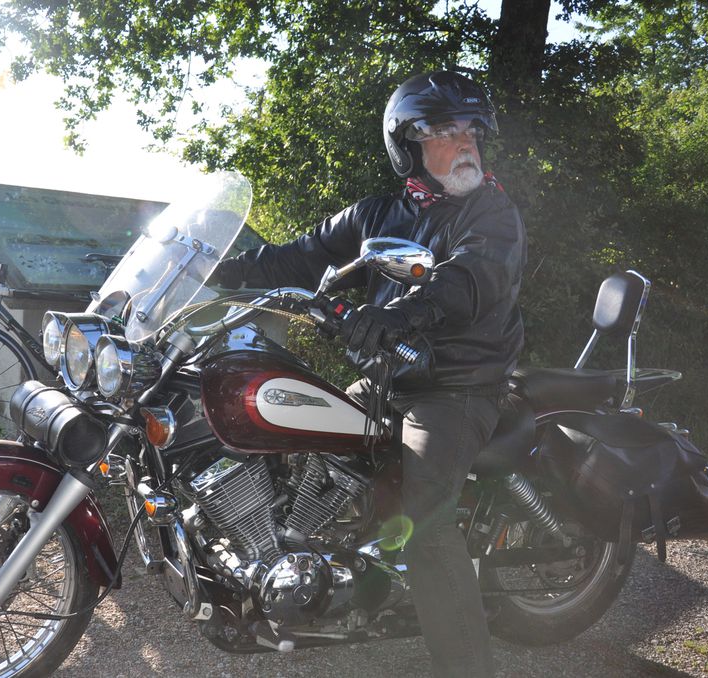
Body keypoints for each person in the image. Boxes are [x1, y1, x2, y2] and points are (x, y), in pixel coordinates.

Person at [211, 71, 526, 677]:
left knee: (425, 517)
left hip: (455, 387)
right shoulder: (381, 211)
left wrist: (398, 316)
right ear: (407, 145)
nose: (464, 144)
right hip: (388, 381)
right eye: (442, 132)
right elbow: (298, 255)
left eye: (470, 131)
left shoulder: (493, 214)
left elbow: (467, 282)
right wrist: (216, 269)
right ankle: (316, 573)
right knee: (294, 426)